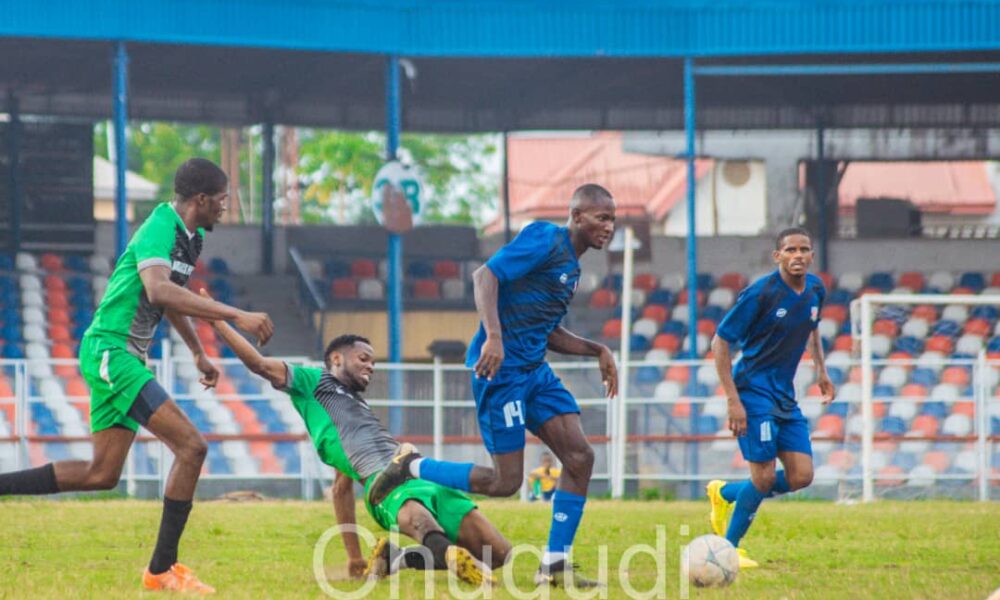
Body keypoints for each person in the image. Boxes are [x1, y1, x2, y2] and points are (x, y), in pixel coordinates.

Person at [0, 158, 274, 594]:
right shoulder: (159, 227)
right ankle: (162, 570)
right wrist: (237, 314)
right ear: (201, 200)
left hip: (122, 355)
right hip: (112, 351)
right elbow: (158, 289)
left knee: (101, 474)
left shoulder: (192, 238)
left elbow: (172, 297)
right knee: (192, 446)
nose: (226, 206)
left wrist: (199, 352)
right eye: (223, 199)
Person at [368, 183, 619, 588]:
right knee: (505, 483)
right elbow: (485, 275)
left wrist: (597, 349)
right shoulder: (544, 238)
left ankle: (554, 565)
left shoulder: (572, 268)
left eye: (612, 219)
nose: (609, 226)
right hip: (500, 374)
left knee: (580, 457)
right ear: (576, 217)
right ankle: (409, 467)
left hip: (534, 372)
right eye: (601, 217)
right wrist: (494, 337)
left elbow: (547, 330)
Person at [203, 304, 510, 586]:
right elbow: (258, 364)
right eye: (364, 358)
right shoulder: (314, 383)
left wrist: (353, 557)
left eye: (373, 362)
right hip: (386, 485)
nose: (371, 366)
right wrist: (219, 320)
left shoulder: (358, 408)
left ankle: (398, 558)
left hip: (426, 478)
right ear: (336, 359)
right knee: (421, 522)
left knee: (500, 555)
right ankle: (451, 557)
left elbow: (340, 489)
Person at [706, 227, 835, 569]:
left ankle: (725, 494)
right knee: (762, 478)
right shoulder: (761, 293)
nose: (798, 255)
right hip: (753, 393)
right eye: (790, 250)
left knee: (801, 476)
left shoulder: (816, 289)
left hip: (784, 396)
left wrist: (821, 371)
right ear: (777, 256)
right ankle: (726, 551)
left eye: (804, 249)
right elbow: (720, 342)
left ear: (811, 255)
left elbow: (812, 327)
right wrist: (733, 400)